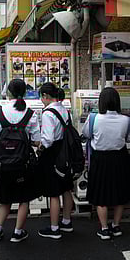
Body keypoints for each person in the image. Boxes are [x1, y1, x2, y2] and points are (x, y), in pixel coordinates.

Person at [82, 87, 130, 240]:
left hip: (100, 159)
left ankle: (104, 228)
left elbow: (86, 134)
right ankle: (116, 225)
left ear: (101, 102)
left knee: (101, 194)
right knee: (120, 193)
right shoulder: (127, 119)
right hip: (120, 159)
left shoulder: (93, 118)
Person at [0, 79, 41, 243]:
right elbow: (37, 140)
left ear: (8, 92)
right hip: (22, 164)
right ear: (25, 93)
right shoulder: (30, 113)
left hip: (3, 164)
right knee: (23, 199)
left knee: (5, 199)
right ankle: (18, 232)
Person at [37, 82, 74, 240]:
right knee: (66, 188)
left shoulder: (47, 113)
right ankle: (66, 221)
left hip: (53, 154)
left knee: (53, 193)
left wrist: (40, 147)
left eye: (41, 98)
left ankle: (54, 228)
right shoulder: (63, 109)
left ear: (45, 96)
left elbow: (48, 139)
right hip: (65, 153)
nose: (41, 101)